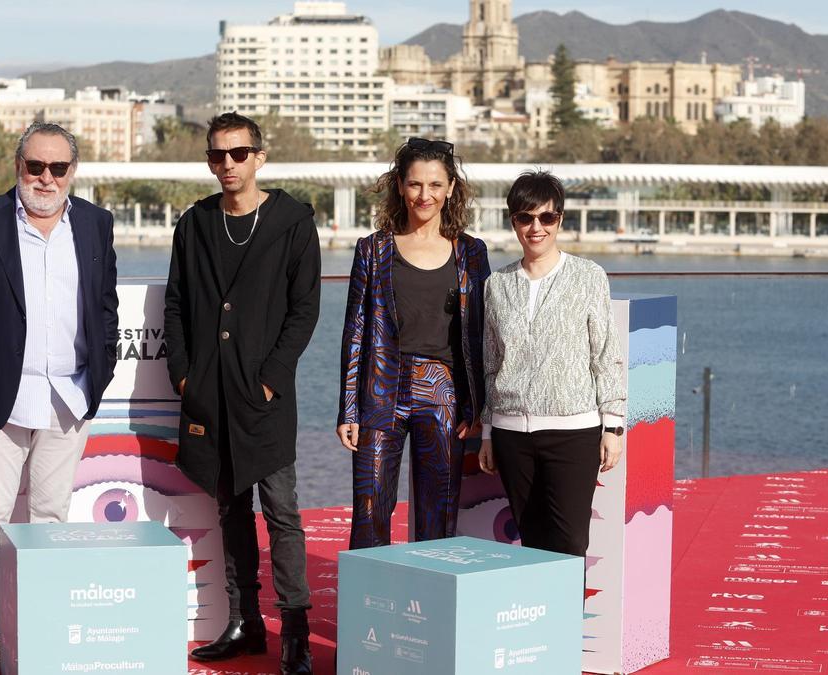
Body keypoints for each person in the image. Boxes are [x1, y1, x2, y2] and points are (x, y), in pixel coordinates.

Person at [0, 122, 119, 675]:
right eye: (35, 166)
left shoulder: (95, 224)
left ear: (72, 172)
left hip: (69, 394)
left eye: (57, 168)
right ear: (19, 166)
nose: (45, 177)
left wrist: (98, 380)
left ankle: (38, 621)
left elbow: (104, 308)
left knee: (49, 518)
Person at [164, 112, 319, 675]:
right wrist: (185, 374)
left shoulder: (293, 221)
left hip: (265, 397)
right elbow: (176, 304)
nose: (227, 165)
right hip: (211, 393)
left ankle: (295, 629)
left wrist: (272, 376)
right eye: (216, 156)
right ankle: (243, 621)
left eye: (237, 154)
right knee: (229, 510)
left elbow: (305, 310)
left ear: (259, 157)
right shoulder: (196, 223)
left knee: (281, 511)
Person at [337, 137, 489, 549]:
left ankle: (429, 608)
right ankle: (369, 606)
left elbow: (479, 335)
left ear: (451, 188)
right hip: (380, 389)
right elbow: (355, 332)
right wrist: (349, 408)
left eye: (436, 185)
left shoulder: (471, 253)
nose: (425, 195)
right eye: (416, 184)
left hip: (442, 391)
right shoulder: (373, 250)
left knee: (437, 515)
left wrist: (476, 405)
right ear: (400, 186)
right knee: (370, 509)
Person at [477, 170, 626, 557]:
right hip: (511, 433)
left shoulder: (588, 277)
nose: (536, 227)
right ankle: (541, 617)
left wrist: (613, 425)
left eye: (546, 217)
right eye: (525, 218)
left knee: (570, 541)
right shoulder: (497, 284)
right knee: (532, 541)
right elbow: (491, 362)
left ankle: (567, 619)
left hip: (573, 430)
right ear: (513, 222)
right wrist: (489, 431)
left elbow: (605, 353)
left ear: (560, 220)